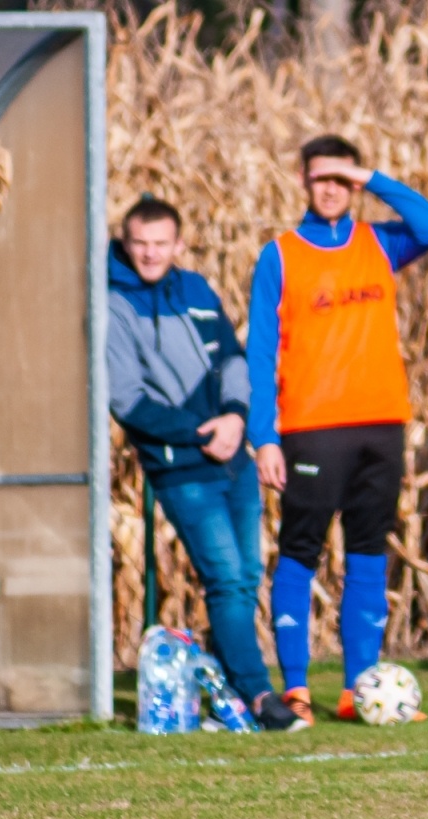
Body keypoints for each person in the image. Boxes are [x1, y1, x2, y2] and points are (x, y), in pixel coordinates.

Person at [245, 134, 428, 725]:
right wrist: (265, 437)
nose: (330, 189)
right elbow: (260, 353)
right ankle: (297, 689)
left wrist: (372, 178)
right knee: (300, 552)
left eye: (341, 179)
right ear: (304, 183)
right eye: (320, 178)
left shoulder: (378, 244)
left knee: (367, 554)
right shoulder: (280, 256)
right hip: (312, 430)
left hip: (381, 426)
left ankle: (359, 690)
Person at [106, 196, 307, 733]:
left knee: (245, 578)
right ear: (126, 243)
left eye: (160, 243)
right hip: (182, 466)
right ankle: (261, 696)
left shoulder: (194, 289)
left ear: (178, 244)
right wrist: (202, 433)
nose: (149, 254)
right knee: (225, 578)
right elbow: (126, 399)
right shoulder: (112, 303)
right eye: (139, 244)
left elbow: (232, 360)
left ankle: (231, 696)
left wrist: (236, 418)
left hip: (232, 452)